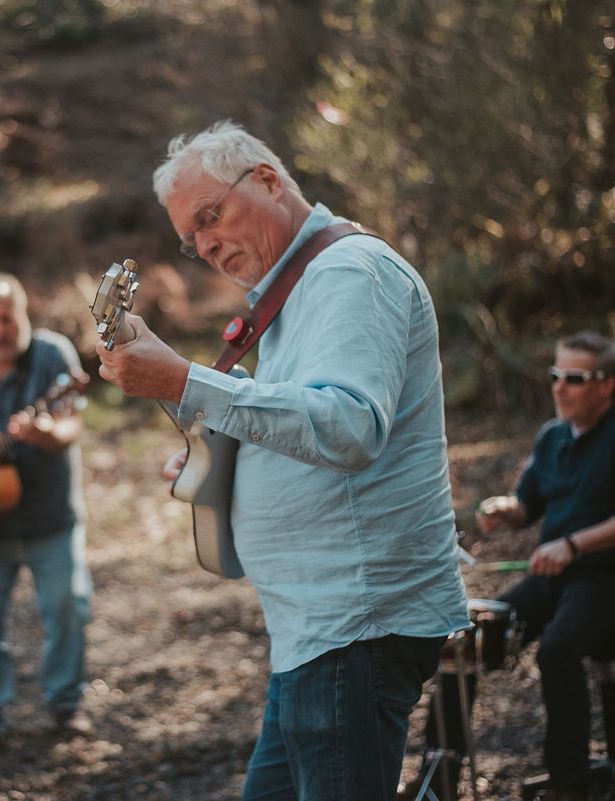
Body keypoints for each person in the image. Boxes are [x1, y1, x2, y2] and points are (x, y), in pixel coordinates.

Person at [96, 120, 469, 801]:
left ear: (268, 179)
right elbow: (296, 415)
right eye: (192, 238)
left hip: (355, 624)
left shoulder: (350, 274)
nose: (206, 245)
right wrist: (222, 457)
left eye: (211, 217)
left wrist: (184, 381)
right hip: (316, 629)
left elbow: (349, 426)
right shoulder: (298, 288)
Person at [456, 331, 615, 801]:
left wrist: (571, 545)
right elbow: (528, 502)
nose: (560, 387)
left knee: (557, 650)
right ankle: (440, 771)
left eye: (575, 377)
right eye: (556, 375)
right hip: (553, 578)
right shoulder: (552, 436)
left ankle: (569, 785)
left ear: (607, 384)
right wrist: (503, 509)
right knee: (469, 637)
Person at [0, 271, 93, 756]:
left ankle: (66, 704)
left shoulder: (53, 356)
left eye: (8, 317)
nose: (0, 329)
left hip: (51, 517)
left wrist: (47, 435)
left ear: (23, 313)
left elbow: (72, 422)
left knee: (67, 610)